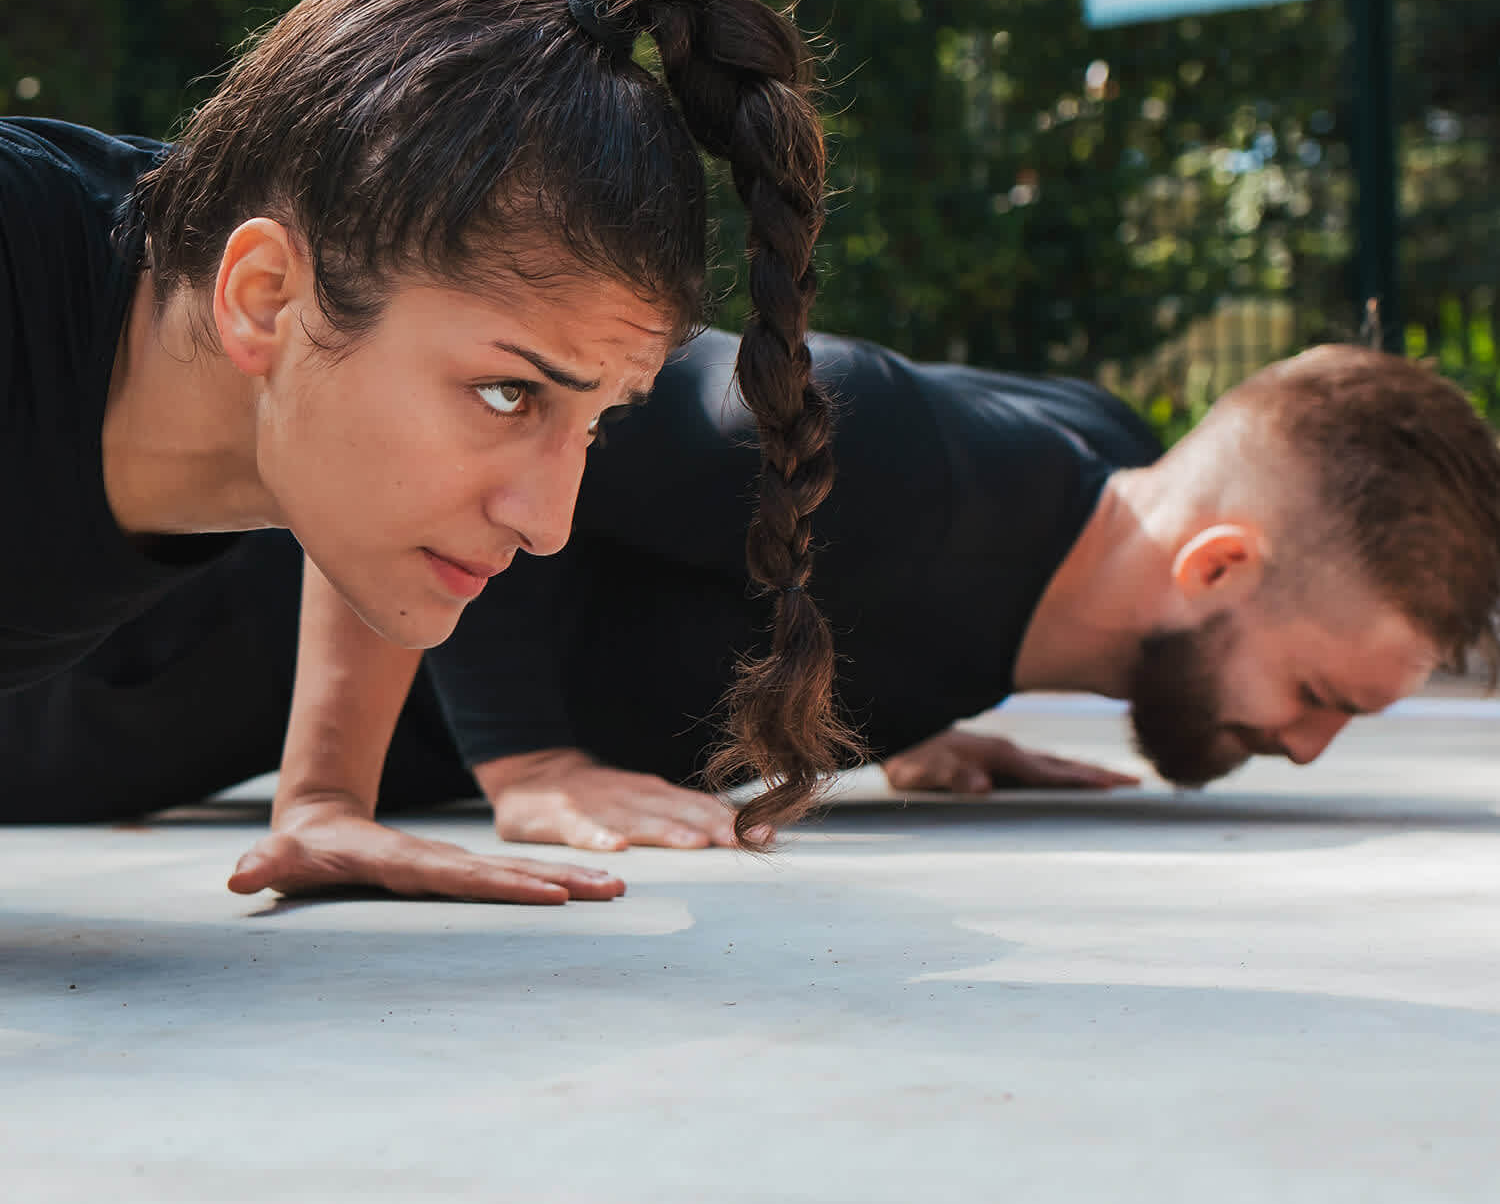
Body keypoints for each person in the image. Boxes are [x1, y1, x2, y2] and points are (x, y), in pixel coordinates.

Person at [0, 0, 859, 901]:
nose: (549, 525)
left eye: (594, 423)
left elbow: (356, 379)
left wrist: (326, 798)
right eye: (508, 393)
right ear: (261, 296)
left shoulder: (274, 275)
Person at [417, 328, 1500, 851]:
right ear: (1216, 563)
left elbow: (908, 588)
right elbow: (501, 422)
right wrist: (529, 761)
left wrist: (875, 719)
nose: (1307, 748)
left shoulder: (1102, 449)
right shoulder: (860, 442)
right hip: (266, 651)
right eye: (1319, 694)